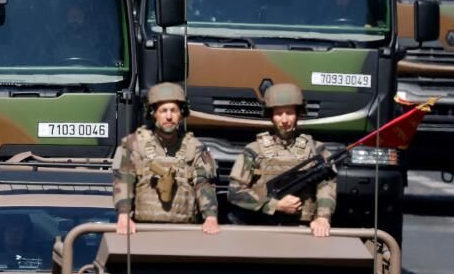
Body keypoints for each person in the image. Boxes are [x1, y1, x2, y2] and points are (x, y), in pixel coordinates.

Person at [111, 82, 221, 235]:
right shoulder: (133, 145)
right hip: (142, 231)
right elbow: (123, 181)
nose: (169, 116)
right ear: (152, 113)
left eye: (173, 110)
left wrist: (210, 217)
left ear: (181, 113)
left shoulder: (195, 148)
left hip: (185, 232)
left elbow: (204, 185)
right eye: (163, 111)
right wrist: (123, 215)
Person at [228, 83, 336, 237]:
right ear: (271, 115)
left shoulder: (316, 150)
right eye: (279, 113)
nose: (284, 119)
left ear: (298, 114)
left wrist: (323, 218)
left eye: (289, 113)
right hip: (261, 228)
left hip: (303, 227)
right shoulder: (254, 150)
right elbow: (235, 191)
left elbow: (327, 186)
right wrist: (275, 205)